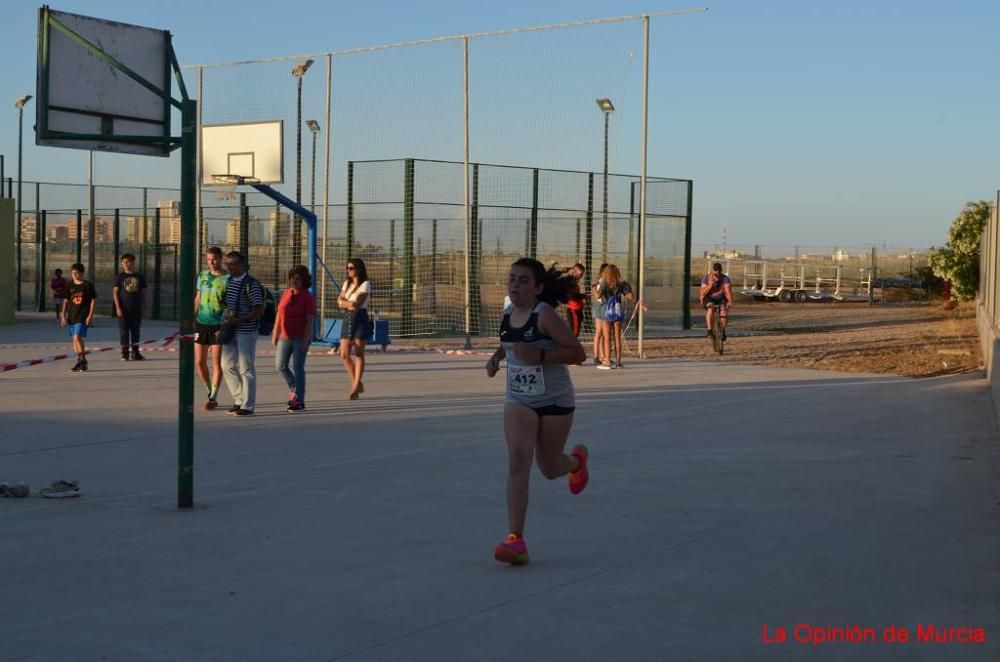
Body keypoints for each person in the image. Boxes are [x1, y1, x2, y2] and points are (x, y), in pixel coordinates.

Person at [485, 257, 589, 565]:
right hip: (519, 400)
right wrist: (495, 358)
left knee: (549, 467)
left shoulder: (544, 316)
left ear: (538, 287)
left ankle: (576, 462)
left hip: (554, 400)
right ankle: (515, 539)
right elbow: (509, 344)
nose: (515, 284)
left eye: (523, 280)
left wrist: (542, 355)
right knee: (518, 460)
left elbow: (578, 353)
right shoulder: (506, 314)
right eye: (512, 278)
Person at [220, 251, 264, 416]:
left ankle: (248, 405)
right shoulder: (228, 282)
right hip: (230, 328)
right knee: (226, 364)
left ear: (242, 265)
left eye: (233, 264)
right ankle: (239, 398)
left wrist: (239, 320)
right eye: (228, 264)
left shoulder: (251, 284)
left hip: (246, 330)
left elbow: (258, 309)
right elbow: (225, 304)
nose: (229, 267)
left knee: (246, 368)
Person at [274, 266, 316, 412]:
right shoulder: (287, 293)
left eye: (297, 278)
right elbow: (279, 314)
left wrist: (306, 340)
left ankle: (299, 399)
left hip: (299, 337)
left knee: (298, 367)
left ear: (304, 281)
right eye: (292, 278)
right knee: (280, 366)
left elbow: (310, 320)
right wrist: (275, 333)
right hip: (285, 336)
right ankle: (294, 386)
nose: (294, 281)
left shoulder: (307, 297)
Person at [194, 247, 229, 410]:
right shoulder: (202, 276)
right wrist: (191, 317)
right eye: (208, 259)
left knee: (217, 362)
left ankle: (213, 397)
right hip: (202, 323)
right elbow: (198, 297)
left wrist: (226, 322)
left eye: (214, 258)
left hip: (218, 325)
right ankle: (209, 391)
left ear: (220, 259)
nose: (211, 262)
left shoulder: (227, 279)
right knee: (200, 362)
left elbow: (230, 304)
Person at [338, 258, 371, 400]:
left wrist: (346, 302)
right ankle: (357, 382)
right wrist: (347, 303)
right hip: (348, 317)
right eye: (347, 268)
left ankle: (355, 386)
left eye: (351, 268)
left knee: (358, 352)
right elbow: (339, 301)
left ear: (358, 269)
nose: (348, 270)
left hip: (360, 317)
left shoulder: (365, 284)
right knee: (344, 354)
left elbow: (358, 303)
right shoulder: (347, 283)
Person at [595, 264, 634, 369]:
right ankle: (618, 362)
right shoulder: (622, 284)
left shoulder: (603, 284)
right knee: (617, 338)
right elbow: (631, 296)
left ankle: (607, 361)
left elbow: (597, 296)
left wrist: (596, 291)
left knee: (607, 338)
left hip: (606, 313)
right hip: (617, 313)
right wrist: (628, 289)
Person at [61, 262, 97, 372]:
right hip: (72, 315)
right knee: (74, 339)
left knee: (77, 336)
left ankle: (83, 360)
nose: (75, 275)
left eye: (77, 273)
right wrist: (63, 315)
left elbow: (93, 300)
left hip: (82, 315)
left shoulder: (87, 285)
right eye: (73, 273)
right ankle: (78, 361)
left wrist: (90, 315)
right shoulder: (70, 285)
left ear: (82, 273)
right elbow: (66, 301)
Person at [112, 253, 148, 361]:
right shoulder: (119, 277)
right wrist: (118, 308)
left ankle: (136, 353)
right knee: (124, 331)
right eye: (124, 262)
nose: (126, 264)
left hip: (136, 309)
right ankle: (125, 353)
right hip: (123, 309)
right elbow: (115, 293)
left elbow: (144, 292)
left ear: (133, 262)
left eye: (128, 261)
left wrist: (143, 307)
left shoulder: (139, 277)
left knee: (135, 331)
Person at [699, 261, 734, 340]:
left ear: (721, 271)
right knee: (710, 308)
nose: (717, 274)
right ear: (713, 271)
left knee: (724, 312)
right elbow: (702, 292)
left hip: (721, 297)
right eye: (715, 272)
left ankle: (722, 330)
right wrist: (710, 285)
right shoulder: (706, 278)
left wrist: (730, 302)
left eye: (719, 271)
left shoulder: (725, 278)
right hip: (709, 298)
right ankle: (709, 330)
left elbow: (728, 291)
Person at [591, 263, 611, 369]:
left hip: (602, 306)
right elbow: (597, 295)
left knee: (603, 333)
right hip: (600, 307)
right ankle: (596, 355)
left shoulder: (604, 282)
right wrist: (594, 289)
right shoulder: (601, 282)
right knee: (599, 332)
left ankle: (603, 355)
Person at [565, 262, 586, 338]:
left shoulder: (575, 281)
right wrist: (584, 296)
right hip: (573, 310)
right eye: (580, 274)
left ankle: (571, 347)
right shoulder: (570, 282)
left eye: (582, 274)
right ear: (574, 271)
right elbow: (572, 296)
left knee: (575, 332)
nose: (581, 276)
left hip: (577, 309)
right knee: (574, 333)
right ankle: (570, 348)